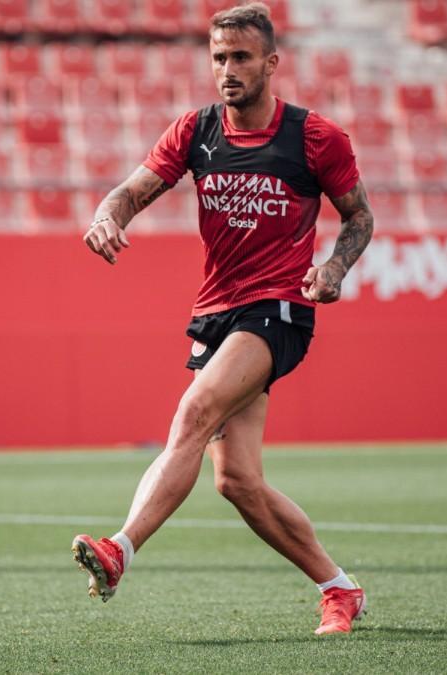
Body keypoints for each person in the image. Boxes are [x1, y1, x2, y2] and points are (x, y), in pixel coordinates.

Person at [71, 3, 375, 636]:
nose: (227, 70)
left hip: (280, 309)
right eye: (217, 58)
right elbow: (129, 191)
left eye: (240, 57)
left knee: (193, 410)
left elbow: (359, 217)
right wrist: (108, 218)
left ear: (270, 63)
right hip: (218, 313)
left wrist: (335, 270)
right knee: (237, 481)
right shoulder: (196, 131)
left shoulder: (315, 137)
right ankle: (340, 589)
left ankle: (119, 549)